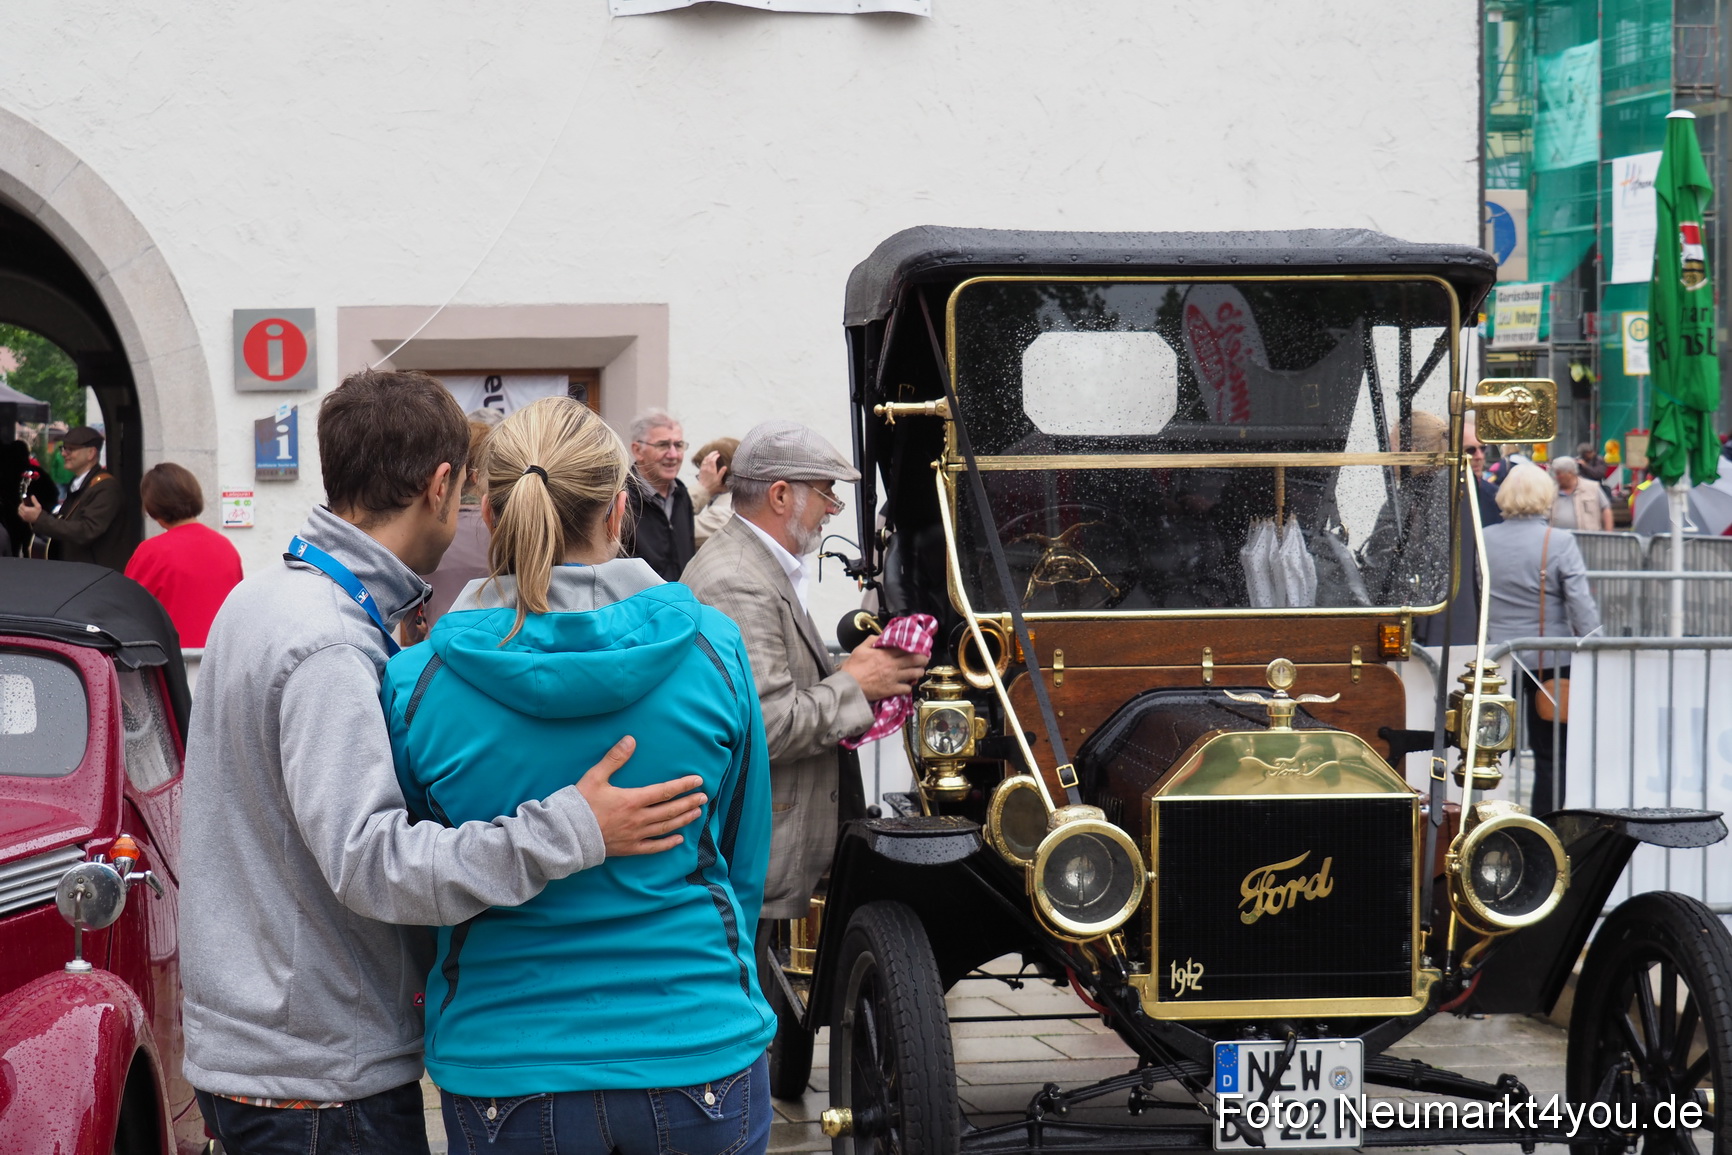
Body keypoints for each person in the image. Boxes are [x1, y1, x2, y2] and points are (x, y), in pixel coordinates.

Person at [179, 369, 708, 1155]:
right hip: (320, 1078)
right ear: (439, 486)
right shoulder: (327, 639)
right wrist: (573, 825)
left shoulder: (263, 599)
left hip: (267, 1051)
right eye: (462, 493)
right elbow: (373, 862)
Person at [385, 396, 774, 1155]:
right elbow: (742, 853)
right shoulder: (712, 651)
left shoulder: (418, 681)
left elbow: (416, 891)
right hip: (695, 1032)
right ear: (620, 508)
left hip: (505, 1051)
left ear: (489, 517)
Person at [681, 419, 929, 925]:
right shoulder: (737, 580)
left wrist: (850, 671)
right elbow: (768, 726)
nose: (831, 510)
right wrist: (856, 683)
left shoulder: (754, 564)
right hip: (763, 859)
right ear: (779, 495)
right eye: (826, 495)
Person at [1483, 463, 1601, 815]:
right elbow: (1582, 608)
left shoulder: (1484, 538)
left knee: (1492, 751)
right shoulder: (1560, 542)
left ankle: (1490, 824)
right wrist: (1600, 646)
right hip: (1551, 663)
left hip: (1498, 663)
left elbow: (1479, 596)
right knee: (1553, 757)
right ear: (1545, 497)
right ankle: (1546, 829)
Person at [400, 409, 499, 645]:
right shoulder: (510, 533)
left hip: (437, 656)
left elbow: (413, 623)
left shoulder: (424, 530)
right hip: (501, 658)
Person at [123, 463, 244, 647]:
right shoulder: (225, 547)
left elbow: (128, 614)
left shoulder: (151, 552)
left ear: (153, 506)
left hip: (173, 666)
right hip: (219, 661)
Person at [16, 425, 130, 569]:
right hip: (81, 573)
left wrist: (40, 519)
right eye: (63, 448)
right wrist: (36, 517)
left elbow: (87, 531)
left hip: (96, 575)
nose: (64, 453)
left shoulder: (106, 488)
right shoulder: (81, 483)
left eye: (71, 449)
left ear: (91, 453)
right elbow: (66, 522)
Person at [624, 407, 695, 580]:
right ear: (638, 450)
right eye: (663, 445)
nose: (673, 455)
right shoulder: (622, 499)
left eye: (678, 445)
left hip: (681, 605)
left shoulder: (681, 495)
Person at [1, 438, 59, 556]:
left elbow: (52, 494)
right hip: (24, 521)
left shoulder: (7, 473)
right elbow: (53, 494)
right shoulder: (36, 472)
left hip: (22, 520)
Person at [690, 435, 739, 547]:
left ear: (718, 473)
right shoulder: (741, 504)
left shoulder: (723, 513)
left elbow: (667, 529)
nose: (701, 478)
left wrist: (703, 488)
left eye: (703, 474)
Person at [1548, 456, 1613, 533]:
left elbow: (1606, 509)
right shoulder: (1551, 491)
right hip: (1558, 539)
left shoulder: (1592, 488)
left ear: (1569, 473)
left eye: (1558, 474)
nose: (1556, 477)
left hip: (1587, 540)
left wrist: (1608, 534)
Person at [1463, 419, 1502, 527]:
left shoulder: (1496, 496)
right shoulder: (1438, 494)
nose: (1479, 456)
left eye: (1483, 448)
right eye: (1470, 450)